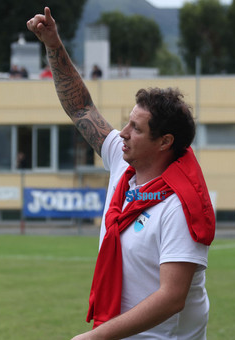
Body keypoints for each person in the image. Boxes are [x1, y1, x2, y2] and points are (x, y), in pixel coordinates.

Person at [27, 8, 215, 340]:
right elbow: (81, 107)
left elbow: (172, 297)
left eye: (136, 128)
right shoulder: (124, 163)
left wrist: (94, 337)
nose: (122, 133)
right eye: (126, 122)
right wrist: (53, 45)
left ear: (164, 142)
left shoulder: (180, 206)